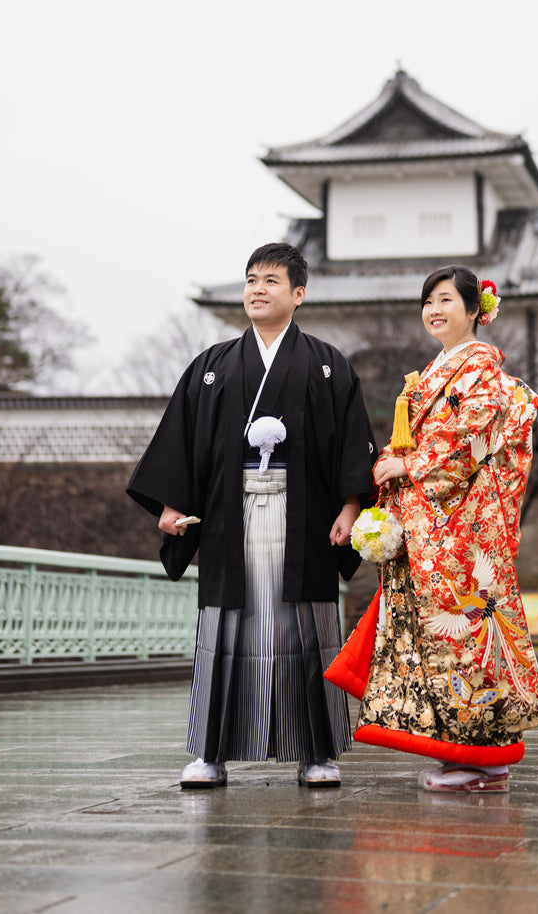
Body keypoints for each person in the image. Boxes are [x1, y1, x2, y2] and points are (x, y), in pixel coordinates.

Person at [127, 242, 375, 789]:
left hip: (306, 519)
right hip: (228, 518)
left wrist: (352, 508)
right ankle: (210, 753)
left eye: (270, 281)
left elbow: (353, 446)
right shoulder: (212, 367)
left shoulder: (329, 365)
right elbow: (182, 444)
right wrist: (172, 505)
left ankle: (318, 751)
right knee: (224, 628)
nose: (256, 290)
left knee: (307, 627)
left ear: (299, 294)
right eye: (250, 280)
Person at [352, 266, 538, 792]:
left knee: (461, 631)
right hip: (434, 524)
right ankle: (467, 752)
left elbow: (469, 440)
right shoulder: (436, 370)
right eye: (428, 302)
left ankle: (481, 755)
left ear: (474, 311)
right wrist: (393, 464)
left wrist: (410, 467)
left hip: (461, 529)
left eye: (446, 300)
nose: (434, 310)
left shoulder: (481, 370)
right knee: (442, 633)